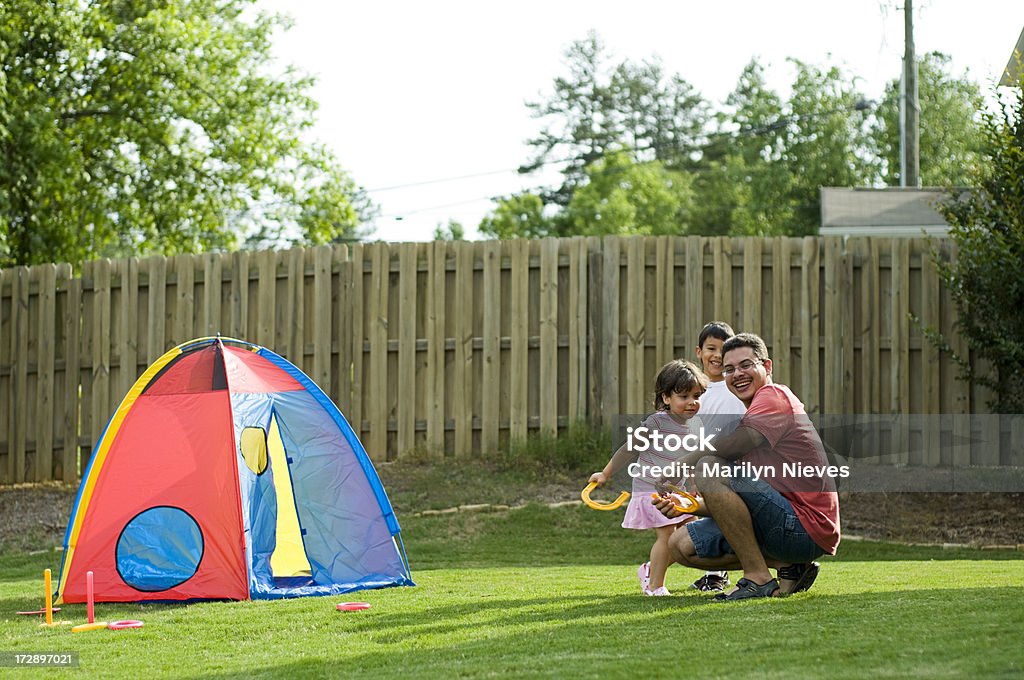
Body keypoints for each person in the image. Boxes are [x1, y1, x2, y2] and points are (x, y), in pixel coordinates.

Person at [652, 333, 841, 601]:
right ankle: (787, 567)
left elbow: (735, 447)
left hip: (805, 526)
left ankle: (756, 578)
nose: (737, 374)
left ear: (767, 366)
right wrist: (692, 507)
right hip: (781, 520)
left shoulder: (774, 395)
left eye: (746, 365)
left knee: (708, 466)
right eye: (729, 369)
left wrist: (684, 462)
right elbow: (737, 503)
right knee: (681, 546)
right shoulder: (750, 417)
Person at [589, 359, 708, 596]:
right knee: (667, 536)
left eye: (696, 396)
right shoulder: (657, 423)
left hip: (679, 493)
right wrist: (605, 473)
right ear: (666, 398)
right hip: (652, 489)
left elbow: (694, 460)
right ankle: (655, 586)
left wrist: (696, 488)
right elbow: (628, 449)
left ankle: (650, 570)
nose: (691, 403)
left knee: (688, 536)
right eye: (684, 397)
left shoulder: (696, 425)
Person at [687, 321, 747, 593]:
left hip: (731, 462)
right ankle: (714, 572)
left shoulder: (736, 386)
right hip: (698, 462)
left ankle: (727, 572)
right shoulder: (693, 391)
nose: (717, 355)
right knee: (700, 517)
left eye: (723, 350)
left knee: (730, 515)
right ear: (699, 351)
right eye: (711, 348)